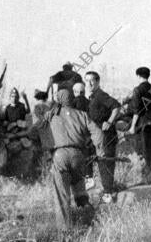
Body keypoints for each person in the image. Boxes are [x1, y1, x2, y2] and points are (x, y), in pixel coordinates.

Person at [44, 89, 104, 230]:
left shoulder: (52, 115)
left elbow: (37, 131)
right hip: (78, 156)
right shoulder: (82, 114)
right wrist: (100, 151)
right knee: (80, 193)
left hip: (60, 156)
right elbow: (98, 133)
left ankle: (66, 231)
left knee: (62, 197)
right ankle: (92, 222)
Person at [85, 71, 121, 201]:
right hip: (99, 136)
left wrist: (110, 121)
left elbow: (116, 106)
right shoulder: (93, 97)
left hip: (107, 135)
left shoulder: (100, 95)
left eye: (92, 80)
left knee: (106, 163)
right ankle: (107, 191)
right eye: (86, 80)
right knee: (102, 163)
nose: (89, 83)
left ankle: (108, 193)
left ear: (98, 81)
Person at [128, 67, 151, 183]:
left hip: (144, 125)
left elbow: (137, 111)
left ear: (138, 76)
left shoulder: (137, 90)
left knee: (145, 152)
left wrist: (133, 126)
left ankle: (148, 179)